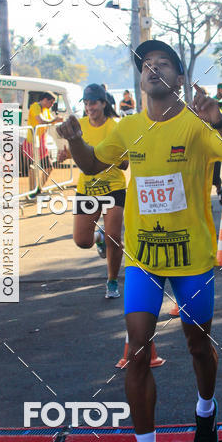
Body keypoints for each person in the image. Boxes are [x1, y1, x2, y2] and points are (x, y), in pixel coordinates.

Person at [58, 39, 222, 442]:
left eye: (163, 64)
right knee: (137, 351)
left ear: (179, 78)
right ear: (140, 78)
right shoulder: (127, 127)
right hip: (143, 260)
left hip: (193, 260)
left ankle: (205, 411)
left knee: (197, 344)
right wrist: (73, 139)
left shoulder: (196, 125)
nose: (153, 70)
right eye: (147, 65)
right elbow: (93, 164)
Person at [73, 84, 128, 300]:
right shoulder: (79, 126)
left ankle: (112, 280)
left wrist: (103, 159)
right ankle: (98, 237)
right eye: (86, 103)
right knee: (82, 241)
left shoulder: (116, 127)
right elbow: (74, 152)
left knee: (114, 237)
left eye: (93, 103)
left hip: (113, 188)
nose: (89, 107)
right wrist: (66, 155)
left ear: (104, 103)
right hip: (87, 190)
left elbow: (124, 164)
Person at [25, 92, 63, 192]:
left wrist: (58, 120)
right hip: (32, 142)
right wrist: (55, 120)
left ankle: (38, 189)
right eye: (51, 102)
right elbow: (41, 121)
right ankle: (32, 191)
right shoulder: (35, 107)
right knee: (33, 168)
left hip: (41, 144)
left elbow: (51, 120)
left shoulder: (46, 110)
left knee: (48, 167)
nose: (51, 105)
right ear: (45, 99)